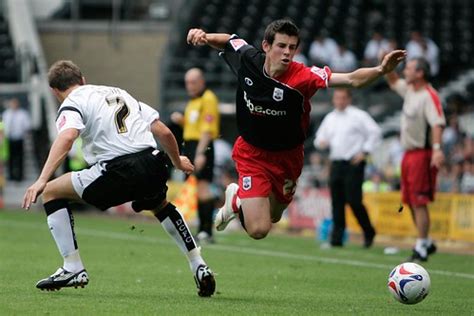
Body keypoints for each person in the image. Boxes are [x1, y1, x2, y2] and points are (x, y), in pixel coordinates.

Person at [186, 19, 406, 241]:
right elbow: (229, 40)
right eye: (281, 46)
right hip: (252, 153)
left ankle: (237, 199)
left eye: (292, 47)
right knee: (259, 230)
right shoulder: (248, 58)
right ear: (266, 46)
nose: (287, 52)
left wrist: (381, 69)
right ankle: (240, 199)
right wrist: (204, 36)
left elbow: (350, 79)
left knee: (274, 216)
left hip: (288, 157)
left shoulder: (303, 77)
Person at [21, 60, 215, 296]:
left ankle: (72, 267)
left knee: (51, 191)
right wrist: (177, 161)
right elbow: (163, 131)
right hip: (152, 163)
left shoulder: (73, 102)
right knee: (160, 205)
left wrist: (42, 178)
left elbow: (68, 136)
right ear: (83, 79)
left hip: (117, 170)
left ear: (55, 92)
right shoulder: (119, 92)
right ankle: (198, 264)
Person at [385, 57, 446, 261]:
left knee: (419, 201)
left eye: (409, 69)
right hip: (408, 154)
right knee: (410, 201)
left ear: (420, 73)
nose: (405, 72)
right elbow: (393, 81)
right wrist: (386, 65)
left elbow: (438, 124)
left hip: (422, 154)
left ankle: (421, 245)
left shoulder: (429, 96)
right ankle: (425, 242)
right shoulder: (411, 90)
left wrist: (437, 149)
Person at [314, 88, 381, 248]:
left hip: (353, 163)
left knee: (354, 200)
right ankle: (337, 238)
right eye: (337, 98)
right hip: (336, 163)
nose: (340, 101)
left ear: (349, 99)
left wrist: (365, 151)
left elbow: (375, 132)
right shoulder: (330, 118)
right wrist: (321, 143)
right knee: (337, 202)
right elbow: (319, 138)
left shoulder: (359, 116)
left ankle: (368, 231)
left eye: (343, 98)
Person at [171, 68, 220, 244]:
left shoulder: (208, 99)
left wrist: (200, 153)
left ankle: (207, 231)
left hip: (202, 146)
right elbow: (194, 125)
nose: (189, 86)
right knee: (199, 189)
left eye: (193, 82)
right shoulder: (193, 101)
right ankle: (202, 230)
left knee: (204, 188)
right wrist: (182, 122)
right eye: (187, 83)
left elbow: (207, 129)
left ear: (201, 82)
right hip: (192, 145)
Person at [2, 97, 31, 182]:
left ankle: (20, 176)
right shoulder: (6, 114)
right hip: (9, 138)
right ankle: (11, 175)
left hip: (19, 138)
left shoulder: (23, 114)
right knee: (10, 158)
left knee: (20, 157)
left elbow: (27, 126)